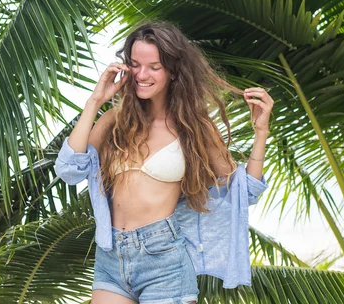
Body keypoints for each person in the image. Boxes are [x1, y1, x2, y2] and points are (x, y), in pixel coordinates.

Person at [55, 22, 273, 304]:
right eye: (135, 64)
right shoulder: (114, 122)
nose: (142, 75)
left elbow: (244, 192)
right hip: (111, 256)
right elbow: (69, 170)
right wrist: (95, 102)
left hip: (164, 259)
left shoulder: (195, 128)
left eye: (154, 67)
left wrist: (261, 133)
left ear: (172, 71)